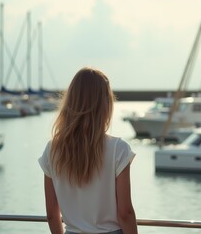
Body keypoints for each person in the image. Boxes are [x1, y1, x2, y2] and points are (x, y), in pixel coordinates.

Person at [38, 67, 138, 234]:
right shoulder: (118, 149)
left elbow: (51, 213)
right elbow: (125, 213)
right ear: (104, 103)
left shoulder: (52, 149)